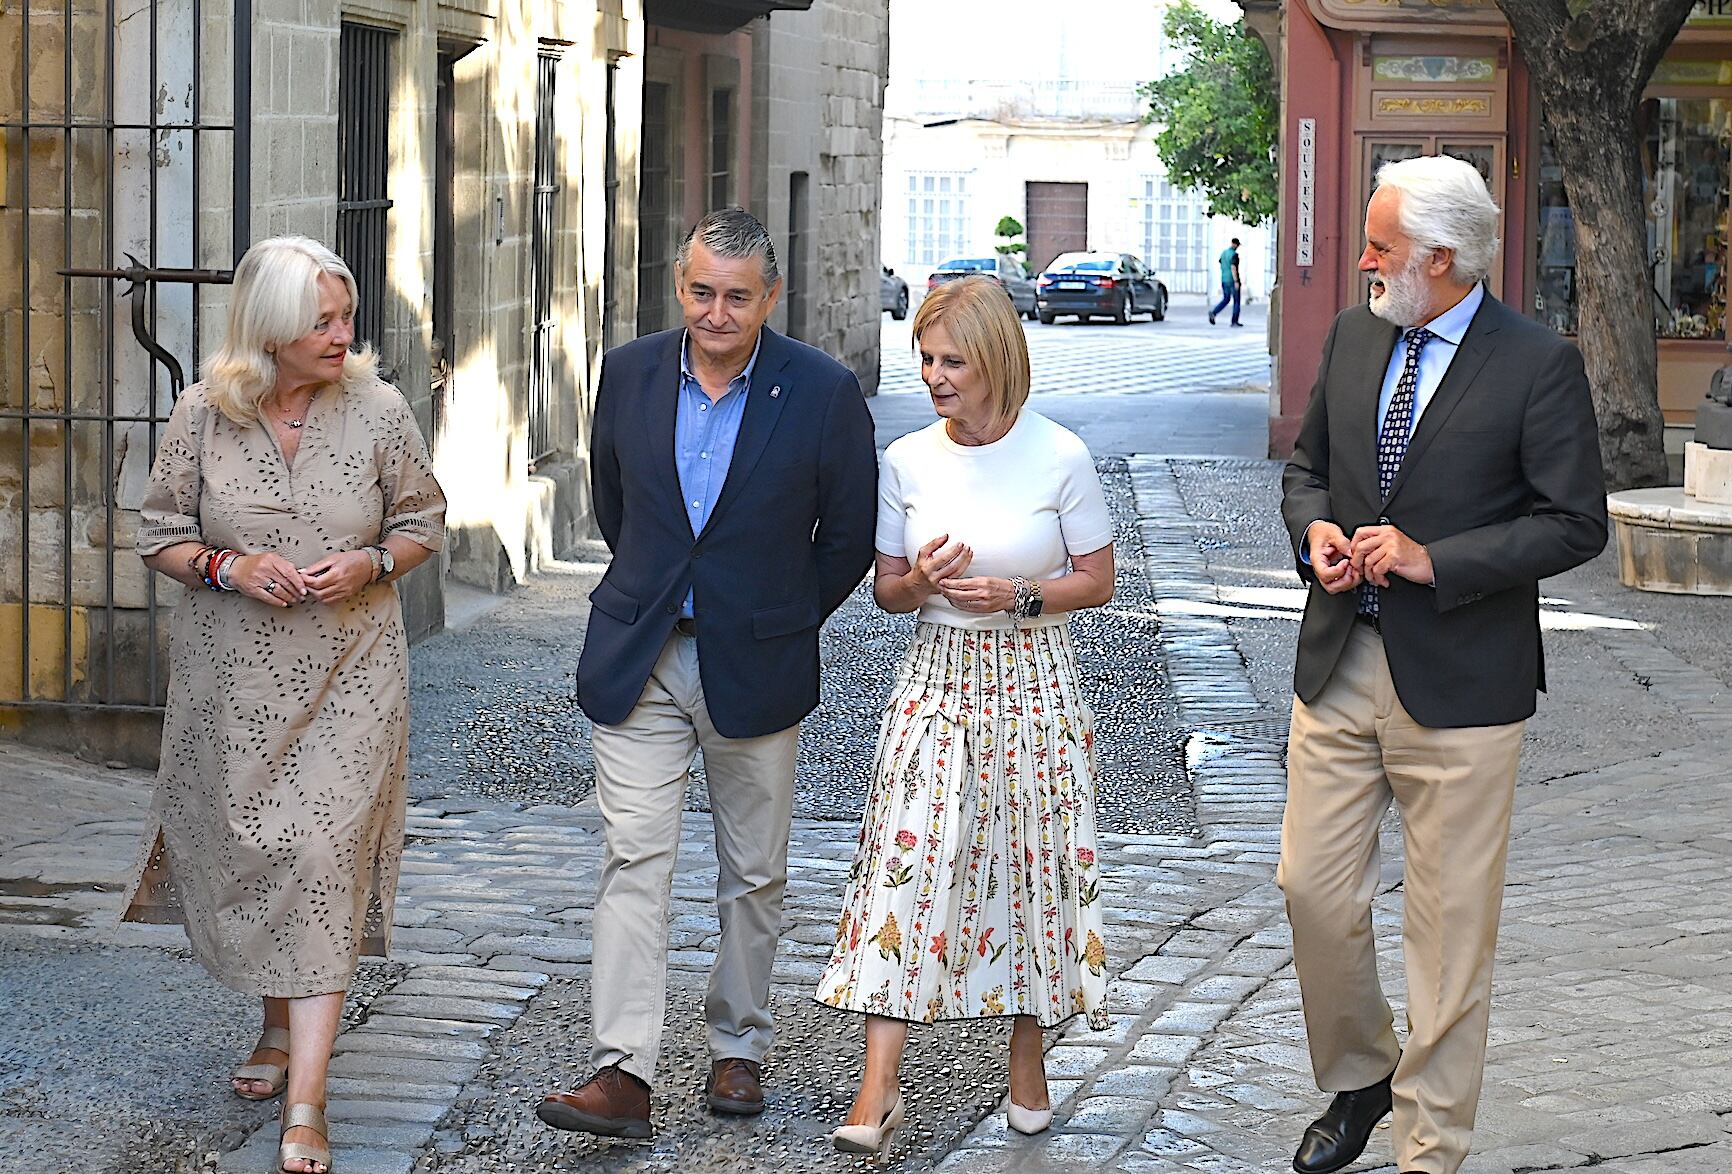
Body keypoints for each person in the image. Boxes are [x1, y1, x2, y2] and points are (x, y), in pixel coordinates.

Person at [1279, 155, 1606, 1174]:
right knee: (1310, 892)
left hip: (1464, 689)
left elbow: (1573, 523)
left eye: (1381, 246)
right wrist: (1317, 530)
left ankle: (1429, 1148)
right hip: (1339, 662)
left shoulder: (1537, 363)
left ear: (1444, 257)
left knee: (1449, 932)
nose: (1364, 261)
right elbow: (1302, 469)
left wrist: (1435, 560)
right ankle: (1363, 1071)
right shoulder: (1352, 331)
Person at [536, 207, 877, 1139]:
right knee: (633, 861)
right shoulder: (630, 371)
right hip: (641, 655)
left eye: (735, 296)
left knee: (753, 871)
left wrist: (778, 614)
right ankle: (622, 1071)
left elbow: (847, 534)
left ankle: (739, 1049)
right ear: (678, 287)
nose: (714, 313)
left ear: (771, 297)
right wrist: (660, 592)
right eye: (699, 292)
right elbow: (618, 507)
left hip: (754, 660)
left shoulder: (821, 391)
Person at [124, 236, 446, 1174]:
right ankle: (275, 1029)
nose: (345, 334)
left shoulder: (380, 411)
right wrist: (229, 566)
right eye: (326, 321)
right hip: (235, 681)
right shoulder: (202, 415)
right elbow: (161, 535)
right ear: (270, 330)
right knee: (263, 851)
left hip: (352, 670)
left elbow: (421, 523)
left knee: (322, 853)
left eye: (346, 317)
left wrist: (371, 562)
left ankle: (308, 1099)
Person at [815, 274, 1117, 1158]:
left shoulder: (1059, 454)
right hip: (937, 679)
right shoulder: (907, 459)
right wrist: (925, 582)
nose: (935, 375)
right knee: (907, 863)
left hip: (1035, 681)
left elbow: (1096, 581)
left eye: (953, 360)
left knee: (1034, 863)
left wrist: (1019, 595)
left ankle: (1028, 1058)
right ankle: (879, 1082)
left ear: (996, 361)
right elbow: (887, 593)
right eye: (926, 358)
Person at [1210, 237, 1242, 326]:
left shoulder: (1224, 253)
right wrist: (1236, 281)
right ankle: (1234, 321)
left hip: (1224, 279)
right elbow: (1233, 267)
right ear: (1235, 244)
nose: (1238, 247)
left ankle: (1214, 312)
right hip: (1232, 280)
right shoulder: (1234, 255)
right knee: (1236, 301)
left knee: (1226, 299)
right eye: (1238, 245)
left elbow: (1220, 261)